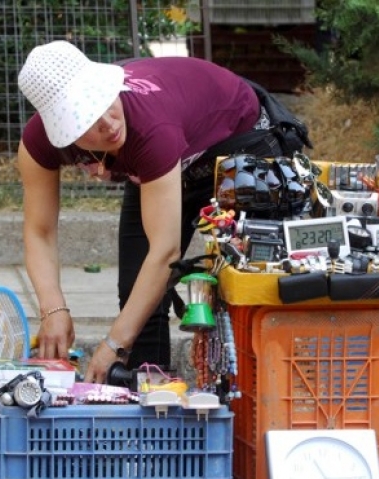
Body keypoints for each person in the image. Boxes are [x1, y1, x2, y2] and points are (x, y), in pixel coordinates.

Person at [16, 40, 310, 383]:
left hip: (241, 140)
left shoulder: (147, 127)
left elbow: (164, 250)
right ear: (61, 131)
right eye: (86, 121)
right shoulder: (38, 144)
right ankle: (150, 406)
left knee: (249, 284)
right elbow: (39, 232)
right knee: (136, 296)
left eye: (104, 101)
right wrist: (54, 309)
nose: (107, 123)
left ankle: (256, 402)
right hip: (165, 159)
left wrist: (113, 345)